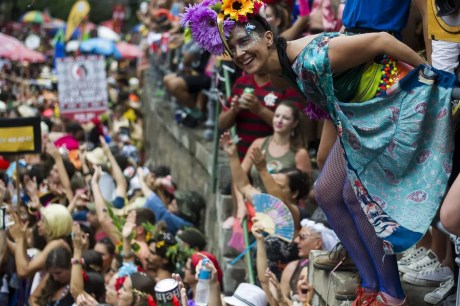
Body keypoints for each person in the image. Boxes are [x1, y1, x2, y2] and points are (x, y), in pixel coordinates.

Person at [181, 1, 458, 305]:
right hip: (360, 115)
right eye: (233, 48)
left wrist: (433, 78)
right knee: (326, 192)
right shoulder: (279, 70)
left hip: (395, 100)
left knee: (355, 195)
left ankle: (391, 294)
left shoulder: (311, 59)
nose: (240, 53)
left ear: (269, 38)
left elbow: (383, 41)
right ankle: (368, 285)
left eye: (245, 40)